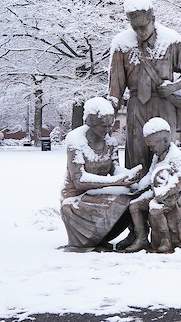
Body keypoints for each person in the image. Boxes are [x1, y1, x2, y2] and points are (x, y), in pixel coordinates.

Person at [109, 0, 181, 170]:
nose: (140, 32)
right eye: (136, 28)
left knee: (164, 155)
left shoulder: (171, 41)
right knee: (136, 153)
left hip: (164, 104)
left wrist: (174, 86)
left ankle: (166, 191)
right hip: (136, 106)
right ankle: (136, 192)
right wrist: (109, 115)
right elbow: (115, 88)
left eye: (144, 26)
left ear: (153, 19)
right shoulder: (122, 44)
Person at [59, 97, 143, 250]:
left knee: (132, 194)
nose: (107, 130)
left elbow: (115, 169)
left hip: (98, 194)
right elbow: (79, 180)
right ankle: (92, 237)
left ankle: (135, 236)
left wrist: (129, 176)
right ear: (90, 124)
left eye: (110, 125)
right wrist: (116, 181)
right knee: (120, 198)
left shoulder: (110, 143)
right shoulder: (76, 141)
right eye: (103, 126)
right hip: (76, 199)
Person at [120, 118, 181, 253]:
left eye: (152, 146)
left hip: (173, 196)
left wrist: (165, 192)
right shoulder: (157, 156)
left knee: (155, 209)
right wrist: (138, 186)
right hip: (157, 193)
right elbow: (151, 174)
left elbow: (180, 181)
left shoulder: (175, 157)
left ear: (165, 140)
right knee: (134, 205)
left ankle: (165, 239)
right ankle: (141, 237)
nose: (151, 149)